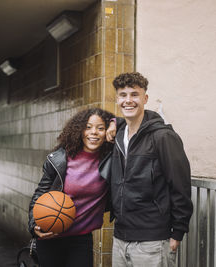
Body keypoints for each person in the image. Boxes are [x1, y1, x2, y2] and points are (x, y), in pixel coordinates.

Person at [108, 72, 193, 267]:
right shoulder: (119, 135)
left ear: (145, 99)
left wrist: (177, 232)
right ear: (117, 99)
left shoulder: (163, 137)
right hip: (120, 238)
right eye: (123, 95)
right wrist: (113, 122)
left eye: (134, 94)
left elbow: (180, 185)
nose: (128, 100)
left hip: (152, 241)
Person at [28, 108, 115, 267]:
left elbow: (133, 129)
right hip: (50, 236)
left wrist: (117, 123)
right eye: (88, 127)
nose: (93, 132)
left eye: (100, 128)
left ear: (108, 132)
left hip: (81, 238)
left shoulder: (111, 159)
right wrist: (34, 225)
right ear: (79, 130)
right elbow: (40, 194)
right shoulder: (60, 159)